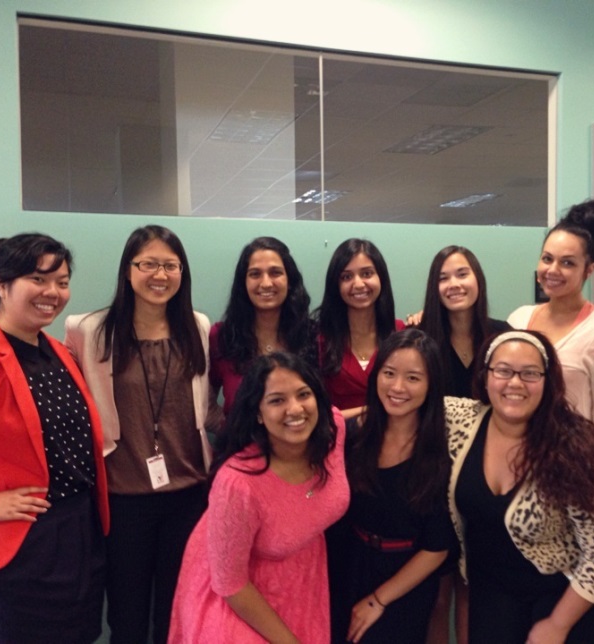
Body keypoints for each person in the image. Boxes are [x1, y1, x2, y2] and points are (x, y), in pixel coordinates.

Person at [0, 233, 110, 643]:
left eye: (62, 282)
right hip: (21, 548)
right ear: (2, 285)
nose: (53, 292)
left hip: (81, 537)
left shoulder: (58, 352)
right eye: (38, 279)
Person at [65, 225, 211, 644]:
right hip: (123, 500)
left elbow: (204, 408)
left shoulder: (197, 327)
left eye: (170, 265)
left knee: (177, 615)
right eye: (148, 264)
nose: (159, 274)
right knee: (126, 620)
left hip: (188, 496)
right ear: (127, 271)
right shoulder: (88, 331)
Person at [446, 330, 594, 643]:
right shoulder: (460, 419)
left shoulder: (577, 448)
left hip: (568, 589)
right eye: (503, 371)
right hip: (495, 587)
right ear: (486, 376)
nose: (515, 383)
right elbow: (397, 402)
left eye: (530, 373)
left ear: (548, 381)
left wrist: (557, 624)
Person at [169, 352, 349, 643]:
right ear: (258, 414)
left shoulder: (331, 432)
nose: (295, 409)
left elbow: (342, 414)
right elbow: (230, 586)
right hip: (238, 595)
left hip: (303, 579)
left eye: (304, 394)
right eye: (277, 400)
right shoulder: (238, 484)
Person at [329, 329, 455, 643]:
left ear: (431, 385)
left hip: (405, 580)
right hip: (350, 564)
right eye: (389, 373)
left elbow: (436, 548)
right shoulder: (353, 435)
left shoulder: (442, 451)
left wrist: (379, 599)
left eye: (413, 378)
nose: (397, 387)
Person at [418, 245, 511, 644]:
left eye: (462, 274)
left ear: (478, 280)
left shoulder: (503, 335)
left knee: (474, 589)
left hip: (486, 478)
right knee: (438, 592)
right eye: (444, 277)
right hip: (433, 477)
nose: (454, 284)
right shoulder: (420, 340)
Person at [507, 199, 594, 443]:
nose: (553, 270)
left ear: (589, 270)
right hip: (516, 453)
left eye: (567, 263)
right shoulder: (518, 319)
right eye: (547, 259)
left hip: (574, 462)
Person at [210, 236, 314, 427]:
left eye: (275, 272)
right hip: (240, 453)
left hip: (302, 454)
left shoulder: (313, 336)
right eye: (255, 274)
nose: (266, 283)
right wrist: (236, 434)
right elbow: (206, 407)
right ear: (243, 283)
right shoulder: (222, 337)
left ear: (289, 280)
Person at [316, 238, 404, 419]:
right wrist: (369, 413)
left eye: (367, 274)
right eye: (347, 277)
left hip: (392, 441)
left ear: (381, 277)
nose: (358, 284)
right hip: (337, 442)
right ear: (336, 284)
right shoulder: (320, 339)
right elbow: (315, 412)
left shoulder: (400, 333)